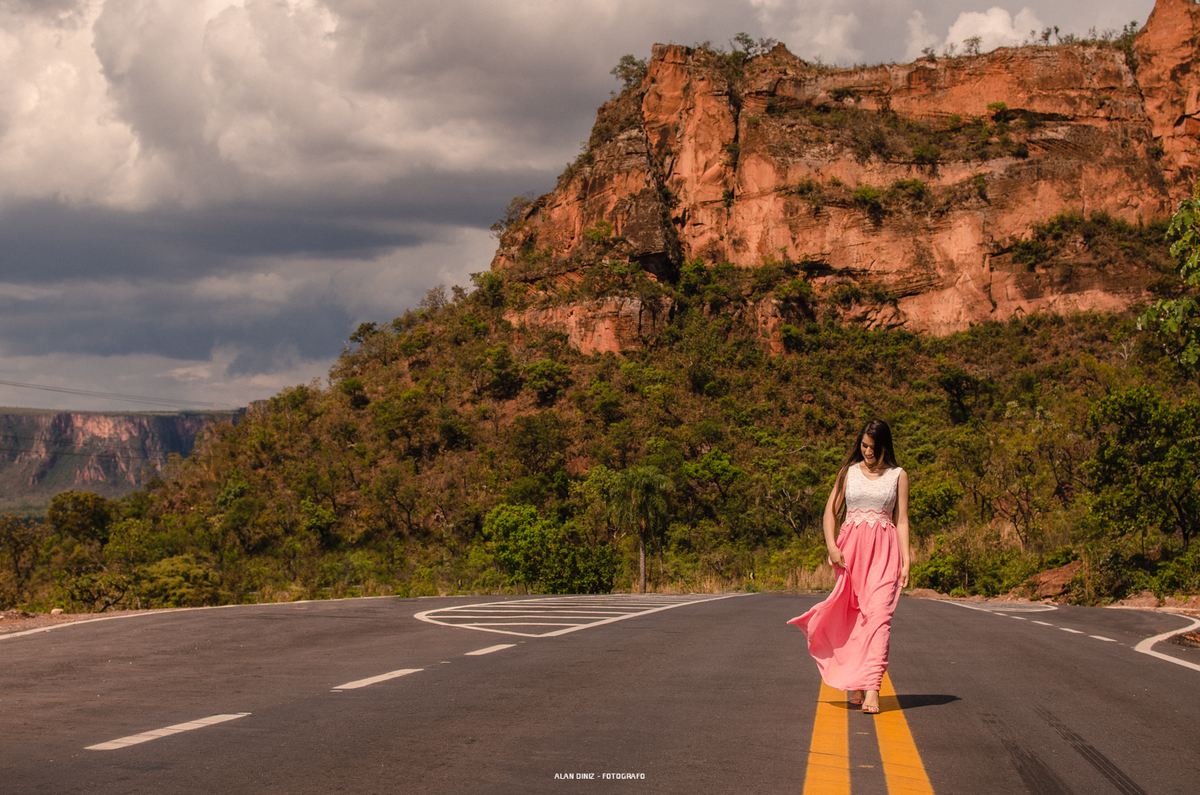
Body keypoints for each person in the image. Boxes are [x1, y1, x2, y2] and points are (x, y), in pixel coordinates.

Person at [788, 419, 911, 714]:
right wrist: (832, 546)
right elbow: (830, 512)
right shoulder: (848, 472)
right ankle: (858, 680)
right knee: (855, 618)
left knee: (879, 617)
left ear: (885, 447)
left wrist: (907, 560)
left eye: (873, 447)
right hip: (851, 554)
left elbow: (902, 520)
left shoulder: (898, 475)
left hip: (885, 553)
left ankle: (872, 688)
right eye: (864, 446)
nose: (867, 452)